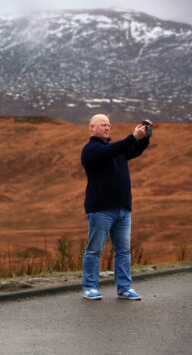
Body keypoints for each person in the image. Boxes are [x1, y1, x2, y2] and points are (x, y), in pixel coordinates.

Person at [80, 114, 152, 300]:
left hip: (123, 210)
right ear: (91, 128)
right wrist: (132, 137)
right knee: (94, 250)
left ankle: (124, 288)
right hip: (100, 210)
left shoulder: (114, 149)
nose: (107, 128)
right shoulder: (91, 150)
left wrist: (145, 137)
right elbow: (112, 150)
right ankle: (90, 287)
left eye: (109, 125)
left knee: (124, 251)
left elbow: (134, 150)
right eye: (103, 125)